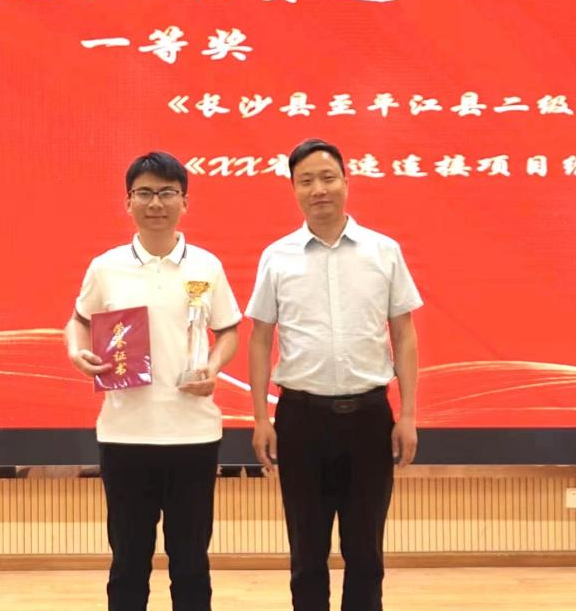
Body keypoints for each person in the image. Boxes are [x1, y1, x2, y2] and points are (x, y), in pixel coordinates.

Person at [247, 138, 422, 611]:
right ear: (294, 189)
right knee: (306, 552)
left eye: (328, 178)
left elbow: (404, 333)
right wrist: (261, 418)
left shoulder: (383, 251)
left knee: (365, 552)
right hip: (301, 418)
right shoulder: (277, 256)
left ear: (347, 181)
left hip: (369, 417)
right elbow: (260, 338)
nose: (318, 189)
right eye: (306, 181)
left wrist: (407, 415)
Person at [63, 152, 241, 611]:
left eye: (166, 193)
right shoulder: (106, 267)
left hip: (193, 434)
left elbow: (228, 331)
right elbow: (78, 321)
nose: (156, 203)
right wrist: (77, 352)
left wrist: (213, 367)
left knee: (191, 563)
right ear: (128, 202)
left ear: (185, 201)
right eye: (144, 193)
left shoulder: (207, 265)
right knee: (128, 563)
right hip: (125, 434)